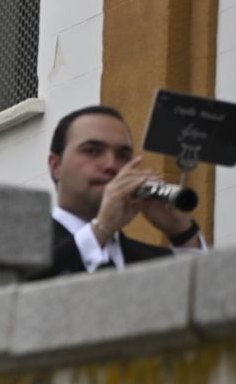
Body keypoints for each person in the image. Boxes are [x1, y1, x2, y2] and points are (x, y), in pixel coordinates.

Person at [39, 105, 207, 277]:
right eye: (92, 151)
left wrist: (183, 234)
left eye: (123, 155)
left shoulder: (151, 260)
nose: (111, 165)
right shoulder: (20, 242)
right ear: (56, 166)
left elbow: (207, 293)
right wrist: (100, 229)